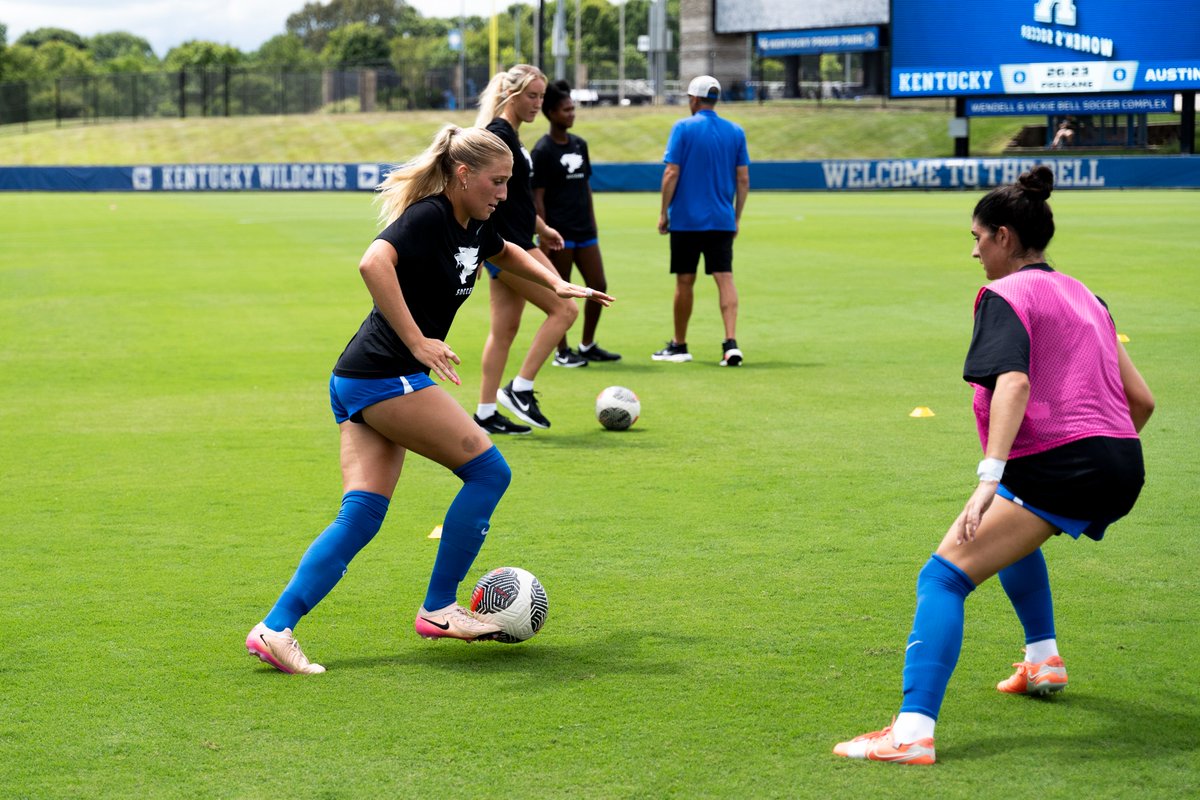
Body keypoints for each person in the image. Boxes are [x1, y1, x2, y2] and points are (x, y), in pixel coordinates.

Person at [245, 125, 612, 674]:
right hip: (385, 376)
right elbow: (373, 263)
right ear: (462, 174)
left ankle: (274, 628)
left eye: (509, 182)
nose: (504, 194)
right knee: (489, 473)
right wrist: (418, 341)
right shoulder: (429, 216)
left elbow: (506, 251)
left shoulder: (476, 224)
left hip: (360, 378)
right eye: (496, 181)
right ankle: (439, 606)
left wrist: (554, 283)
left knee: (362, 515)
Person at [833, 166, 1154, 763]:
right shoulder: (1088, 295)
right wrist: (1095, 458)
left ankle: (911, 734)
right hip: (1122, 457)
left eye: (978, 238)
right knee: (1016, 523)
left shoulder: (1005, 294)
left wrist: (991, 475)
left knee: (943, 577)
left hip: (1062, 462)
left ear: (1004, 236)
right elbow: (1143, 402)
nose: (974, 251)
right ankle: (1043, 661)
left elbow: (1014, 381)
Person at [473, 64, 581, 433]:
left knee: (504, 330)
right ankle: (520, 389)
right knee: (565, 308)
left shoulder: (512, 136)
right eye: (532, 96)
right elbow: (480, 192)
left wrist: (543, 228)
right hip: (509, 246)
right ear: (511, 95)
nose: (538, 103)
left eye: (541, 96)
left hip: (515, 240)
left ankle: (485, 413)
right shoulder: (498, 135)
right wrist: (476, 242)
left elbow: (516, 200)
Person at [653, 74, 750, 367]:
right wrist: (736, 217)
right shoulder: (735, 131)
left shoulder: (683, 128)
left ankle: (680, 344)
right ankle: (730, 343)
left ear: (694, 99)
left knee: (685, 280)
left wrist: (663, 212)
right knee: (725, 277)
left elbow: (671, 172)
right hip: (721, 219)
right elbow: (743, 179)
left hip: (686, 220)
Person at [532, 79, 622, 366]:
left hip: (585, 230)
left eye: (573, 109)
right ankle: (561, 351)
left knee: (598, 283)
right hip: (560, 232)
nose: (571, 114)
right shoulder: (543, 150)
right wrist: (545, 234)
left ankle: (587, 344)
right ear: (551, 113)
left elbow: (585, 187)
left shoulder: (580, 145)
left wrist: (592, 222)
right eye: (566, 110)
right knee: (563, 291)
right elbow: (538, 197)